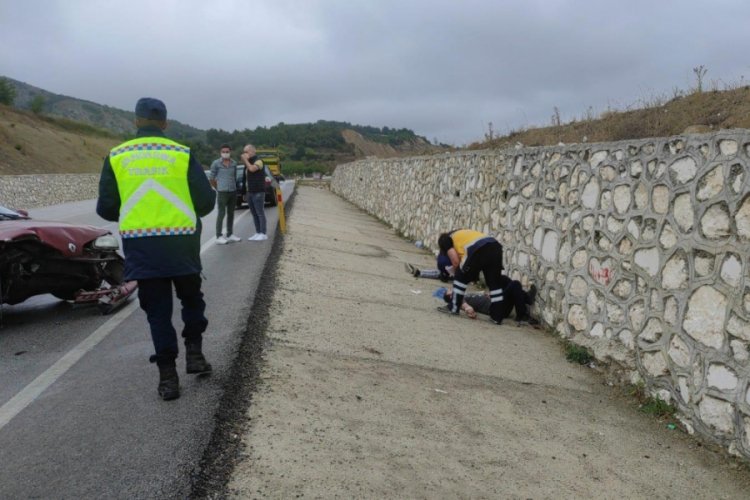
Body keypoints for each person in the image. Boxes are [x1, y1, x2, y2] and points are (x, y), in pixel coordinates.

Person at [96, 97, 216, 401]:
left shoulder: (117, 156)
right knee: (192, 300)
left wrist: (136, 214)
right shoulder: (181, 154)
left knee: (158, 314)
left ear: (136, 121)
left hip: (142, 246)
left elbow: (106, 207)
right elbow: (205, 202)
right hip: (182, 243)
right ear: (165, 122)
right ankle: (195, 355)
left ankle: (167, 379)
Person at [437, 229, 507, 324]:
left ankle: (453, 307)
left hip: (478, 249)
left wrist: (455, 271)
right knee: (494, 284)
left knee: (460, 276)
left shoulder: (445, 239)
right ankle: (497, 317)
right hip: (495, 246)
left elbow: (456, 262)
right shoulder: (462, 233)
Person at [435, 281, 539, 326]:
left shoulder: (466, 295)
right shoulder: (459, 299)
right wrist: (467, 308)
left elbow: (482, 295)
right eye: (451, 291)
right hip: (496, 308)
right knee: (514, 284)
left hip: (497, 301)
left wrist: (489, 294)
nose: (453, 290)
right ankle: (522, 314)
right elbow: (461, 303)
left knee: (505, 283)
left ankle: (526, 300)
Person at [208, 143, 240, 244]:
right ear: (220, 152)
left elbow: (234, 176)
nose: (225, 153)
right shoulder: (216, 163)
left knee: (231, 213)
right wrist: (217, 188)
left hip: (232, 191)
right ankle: (219, 236)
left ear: (230, 152)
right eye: (223, 152)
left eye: (227, 152)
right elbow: (211, 178)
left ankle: (230, 234)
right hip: (222, 192)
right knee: (221, 214)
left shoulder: (234, 163)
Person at [241, 144, 268, 241]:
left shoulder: (259, 161)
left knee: (260, 213)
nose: (244, 154)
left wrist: (245, 161)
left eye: (246, 151)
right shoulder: (248, 162)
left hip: (258, 191)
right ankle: (257, 232)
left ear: (252, 151)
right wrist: (244, 192)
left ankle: (263, 233)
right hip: (250, 191)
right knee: (254, 213)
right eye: (244, 152)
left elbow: (252, 169)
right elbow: (245, 178)